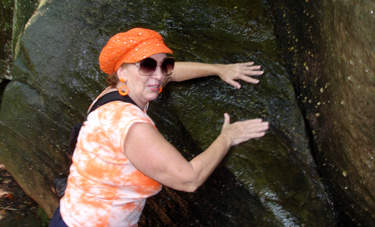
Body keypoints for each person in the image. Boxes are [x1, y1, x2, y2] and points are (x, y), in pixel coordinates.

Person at [49, 28, 269, 227]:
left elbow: (169, 76)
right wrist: (227, 138)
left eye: (165, 64)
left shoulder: (114, 94)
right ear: (122, 72)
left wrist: (219, 69)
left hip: (70, 212)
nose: (159, 74)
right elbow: (188, 179)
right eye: (146, 65)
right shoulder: (129, 125)